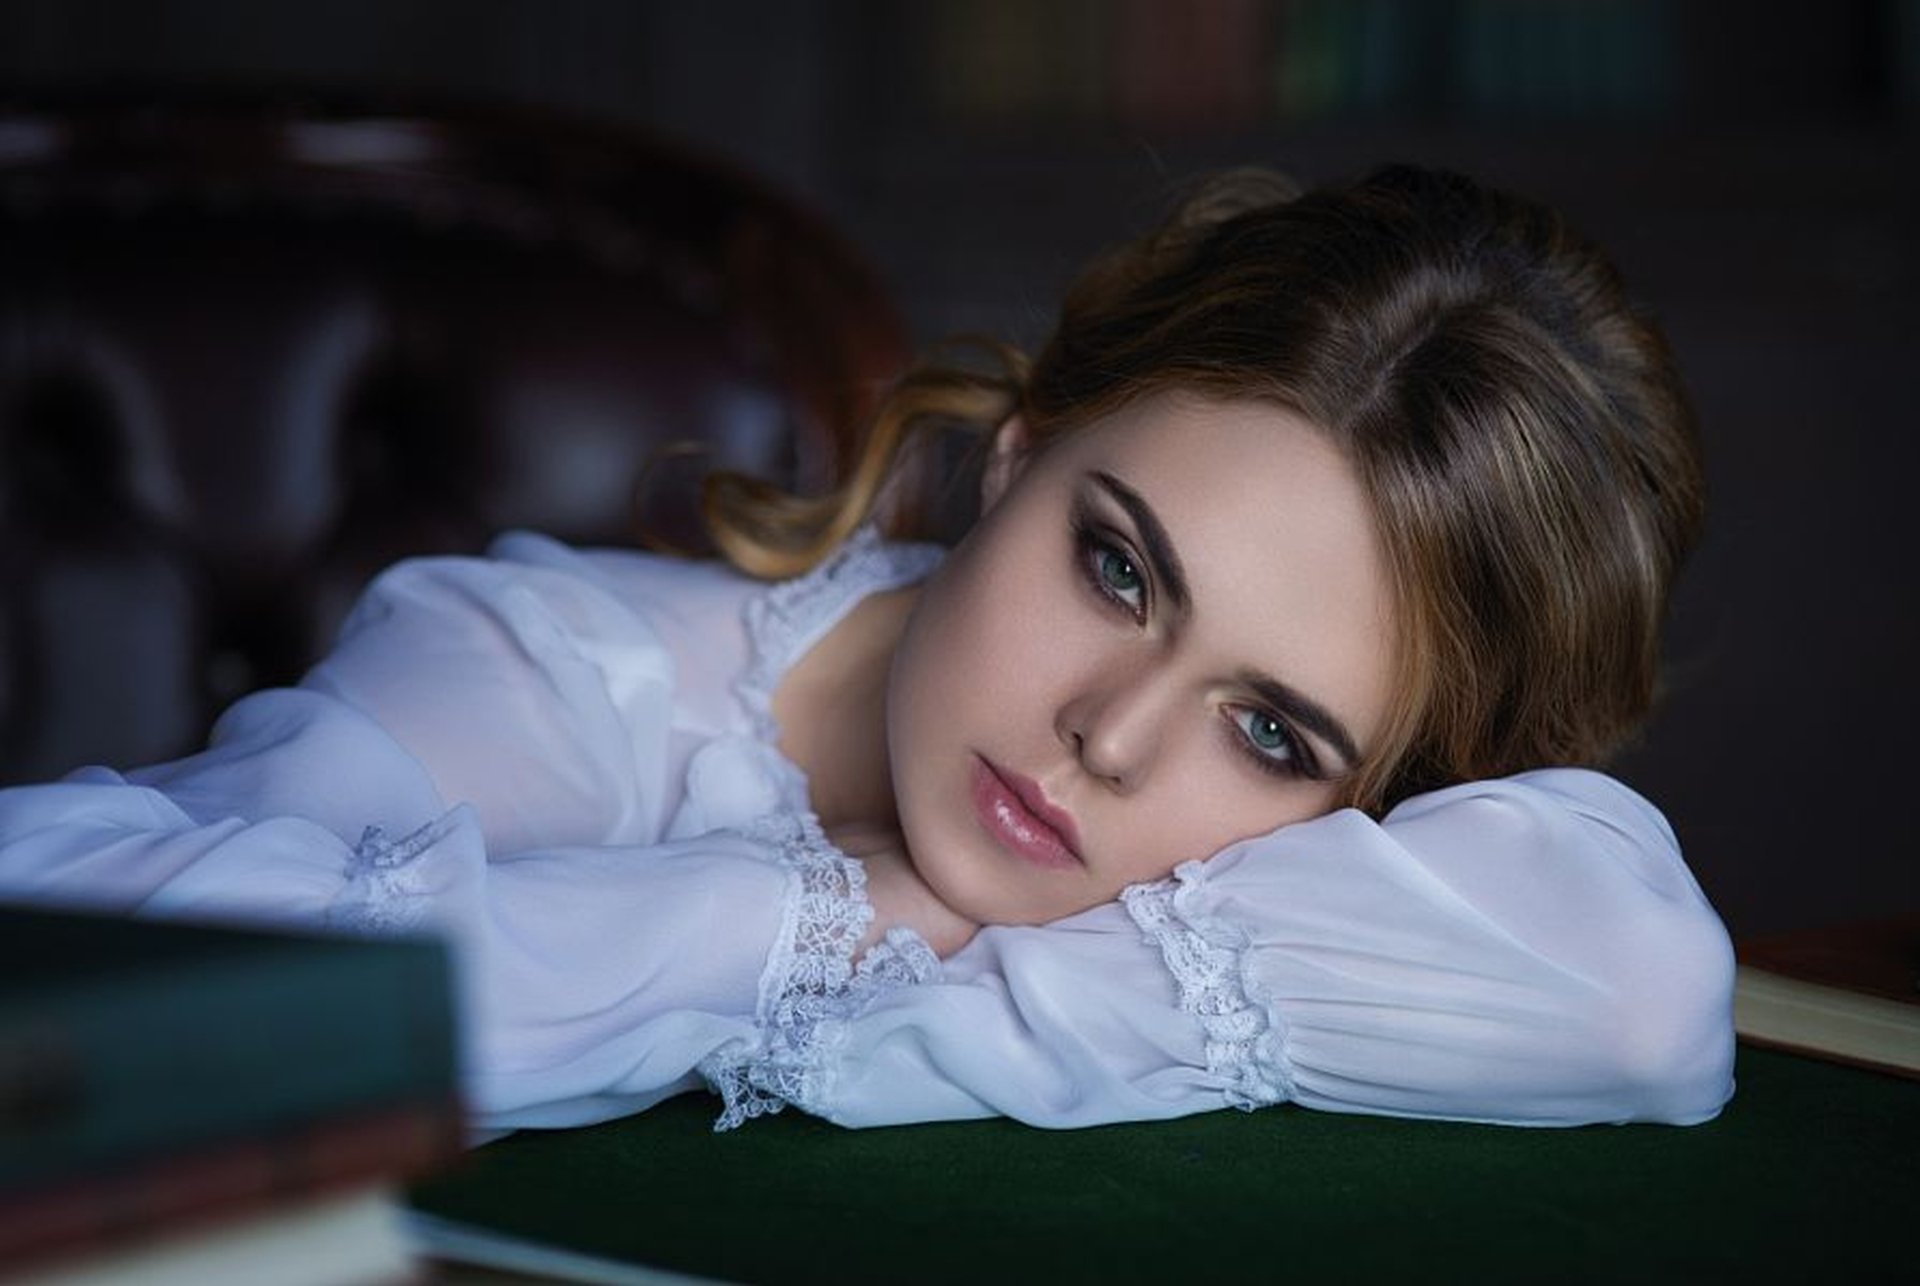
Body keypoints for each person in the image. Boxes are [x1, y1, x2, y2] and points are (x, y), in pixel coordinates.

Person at [0, 164, 1735, 1134]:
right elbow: (78, 989)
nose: (1110, 738)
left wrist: (943, 935)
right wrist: (819, 911)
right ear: (1019, 449)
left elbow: (1647, 999)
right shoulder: (552, 668)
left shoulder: (1231, 872)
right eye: (1122, 569)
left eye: (1272, 732)